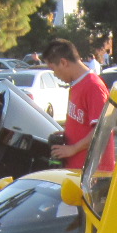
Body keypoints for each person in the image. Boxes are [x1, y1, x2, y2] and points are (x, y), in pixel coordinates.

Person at [43, 38, 109, 169]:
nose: (54, 75)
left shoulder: (93, 86)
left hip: (93, 172)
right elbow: (84, 123)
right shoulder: (77, 85)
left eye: (53, 69)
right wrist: (68, 133)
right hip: (77, 168)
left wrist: (73, 149)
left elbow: (102, 130)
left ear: (63, 62)